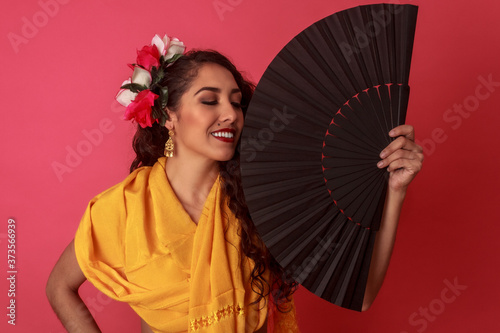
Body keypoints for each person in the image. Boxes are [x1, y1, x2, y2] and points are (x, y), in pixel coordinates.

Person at [46, 34, 423, 333]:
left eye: (237, 102)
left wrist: (395, 192)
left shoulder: (266, 200)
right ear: (167, 115)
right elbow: (58, 287)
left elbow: (363, 294)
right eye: (209, 101)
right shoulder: (124, 209)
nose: (230, 114)